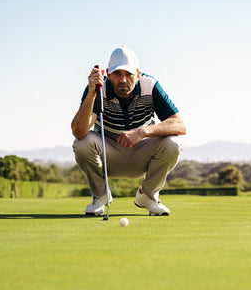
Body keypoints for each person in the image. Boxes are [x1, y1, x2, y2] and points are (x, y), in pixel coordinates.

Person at [71, 46, 186, 216]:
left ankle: (148, 196)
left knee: (173, 143)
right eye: (117, 74)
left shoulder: (150, 85)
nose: (123, 79)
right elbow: (79, 131)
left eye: (128, 74)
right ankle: (100, 196)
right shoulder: (97, 89)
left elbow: (180, 125)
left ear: (138, 74)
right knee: (82, 143)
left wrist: (142, 132)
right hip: (108, 156)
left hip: (142, 153)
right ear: (108, 74)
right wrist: (91, 94)